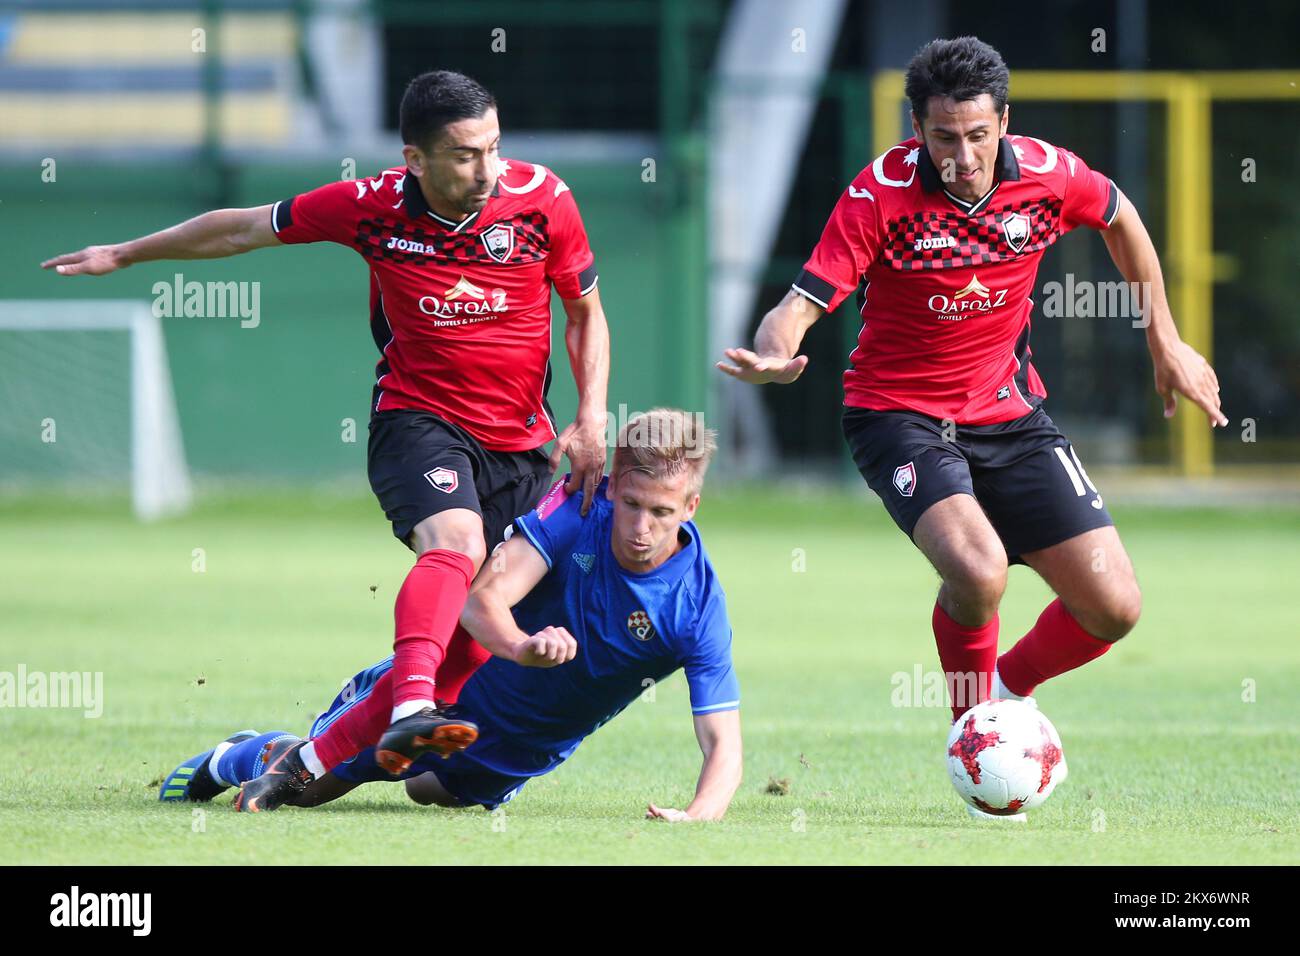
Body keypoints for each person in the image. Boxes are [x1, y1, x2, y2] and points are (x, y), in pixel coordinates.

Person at [718, 37, 1225, 813]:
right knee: (980, 571)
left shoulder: (1049, 175)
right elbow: (799, 304)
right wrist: (773, 354)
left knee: (1114, 607)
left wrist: (1165, 336)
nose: (962, 155)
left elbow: (1121, 218)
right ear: (916, 129)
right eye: (944, 137)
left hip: (1010, 413)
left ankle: (1003, 687)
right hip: (898, 417)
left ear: (1004, 122)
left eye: (979, 135)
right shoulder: (877, 195)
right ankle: (972, 729)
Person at [44, 71, 611, 764]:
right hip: (419, 421)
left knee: (483, 622)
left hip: (524, 443)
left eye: (494, 147)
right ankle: (411, 705)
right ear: (415, 159)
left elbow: (584, 313)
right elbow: (242, 231)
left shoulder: (544, 200)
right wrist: (126, 253)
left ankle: (296, 762)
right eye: (466, 154)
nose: (489, 168)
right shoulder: (367, 206)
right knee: (456, 547)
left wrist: (590, 416)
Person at [159, 409, 743, 821]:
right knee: (312, 790)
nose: (641, 527)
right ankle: (237, 755)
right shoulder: (578, 512)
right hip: (456, 695)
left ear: (692, 506)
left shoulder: (696, 607)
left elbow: (723, 744)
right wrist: (520, 646)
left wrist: (696, 816)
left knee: (426, 791)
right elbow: (480, 598)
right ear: (613, 486)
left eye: (661, 513)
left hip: (519, 755)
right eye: (632, 505)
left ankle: (375, 706)